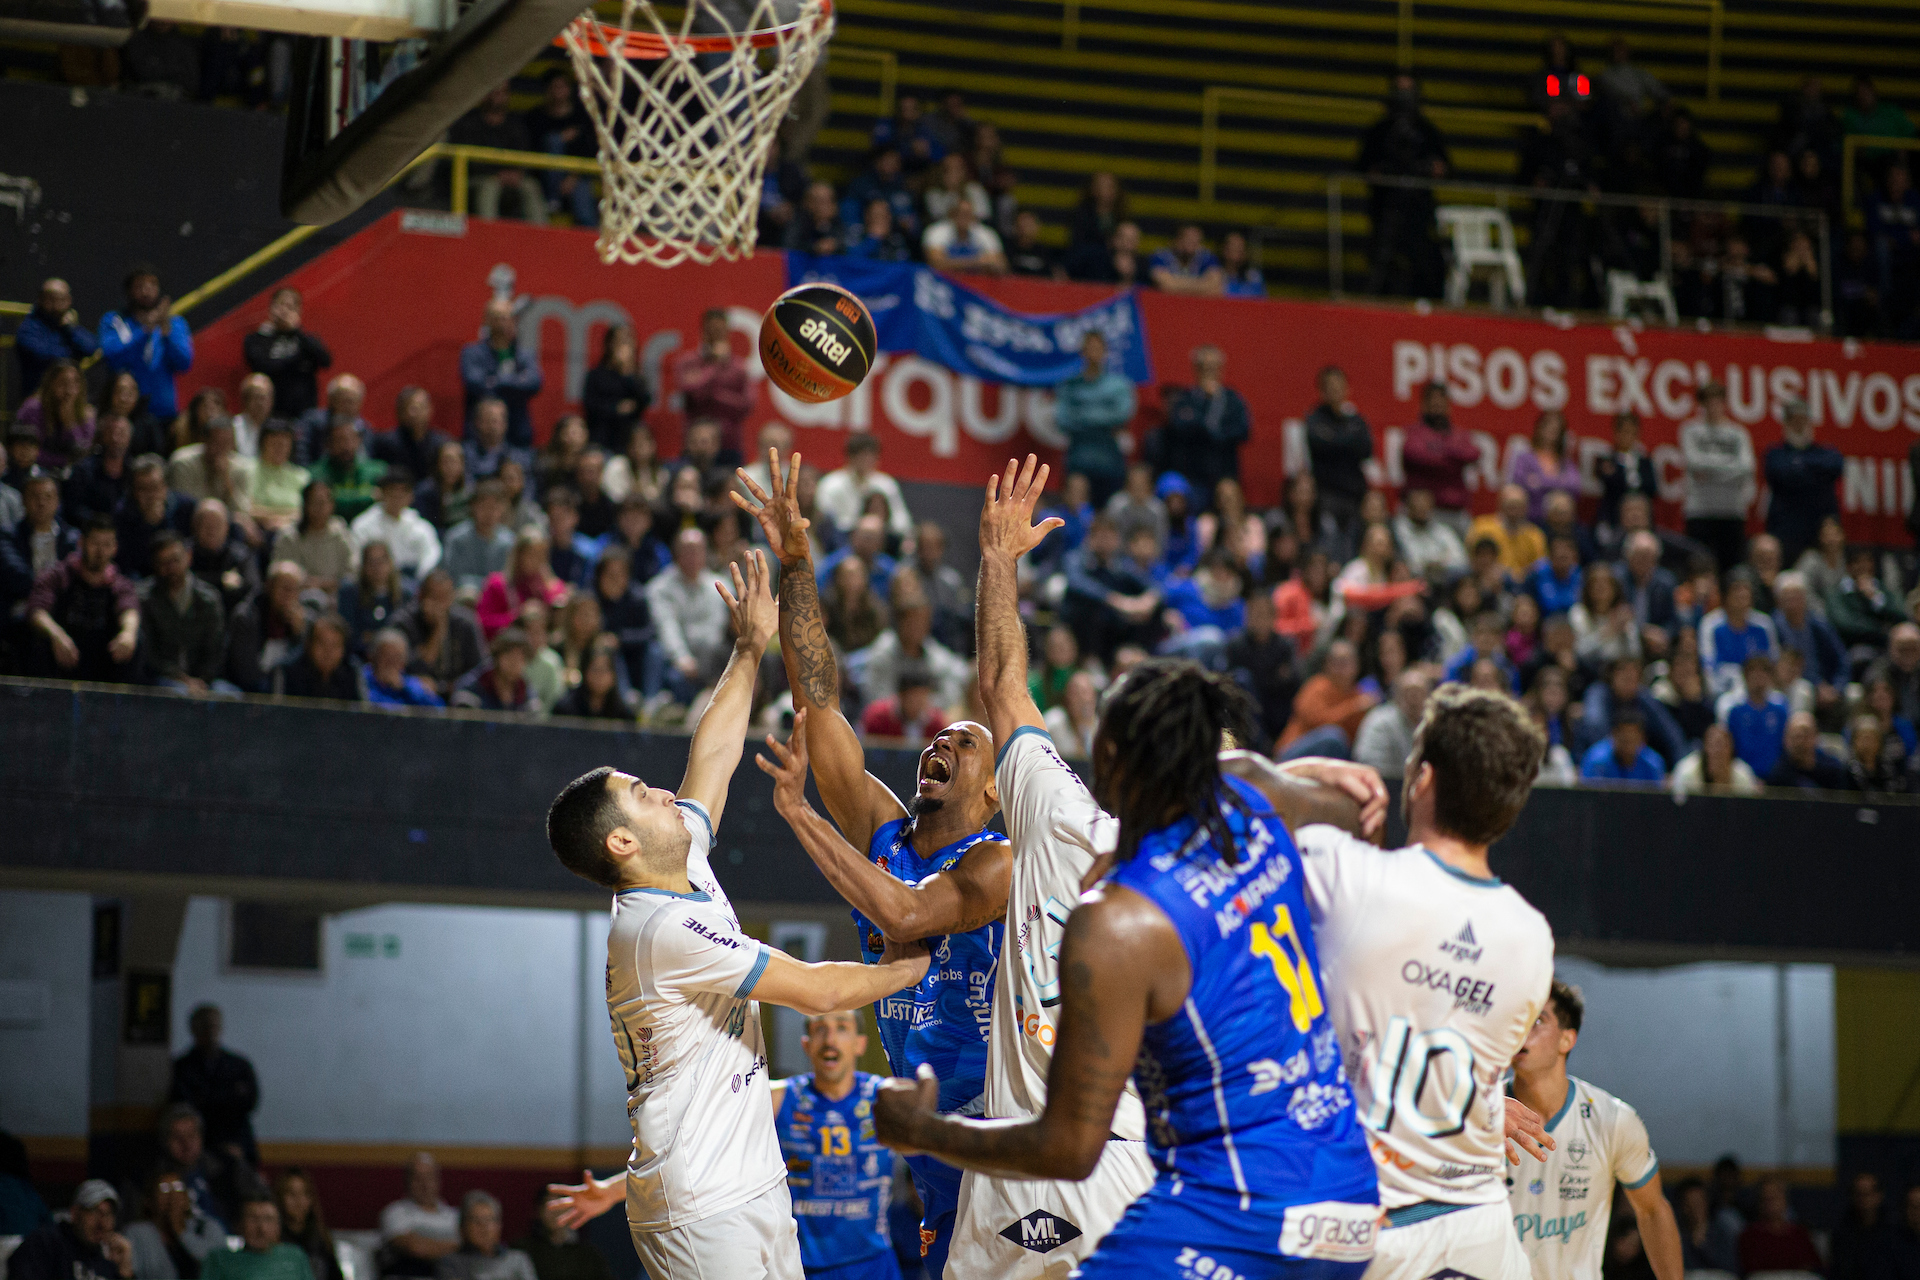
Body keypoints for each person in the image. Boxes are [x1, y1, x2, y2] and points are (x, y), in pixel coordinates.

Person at [874, 657, 1383, 1280]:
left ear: (1116, 763)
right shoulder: (1269, 816)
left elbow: (1066, 1146)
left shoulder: (1123, 917)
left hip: (1228, 1193)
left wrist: (923, 1130)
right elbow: (1361, 810)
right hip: (1345, 1182)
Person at [540, 551, 929, 1280]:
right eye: (639, 792)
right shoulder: (657, 930)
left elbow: (711, 759)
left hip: (745, 1186)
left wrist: (750, 648)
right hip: (700, 1203)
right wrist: (915, 960)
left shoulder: (677, 860)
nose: (661, 791)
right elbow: (816, 992)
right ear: (622, 843)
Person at [734, 453, 1016, 1276]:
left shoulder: (997, 862)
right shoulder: (881, 828)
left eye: (964, 744)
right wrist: (797, 565)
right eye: (938, 736)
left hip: (1001, 1128)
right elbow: (819, 701)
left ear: (996, 792)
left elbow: (905, 916)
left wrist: (801, 817)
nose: (942, 742)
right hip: (928, 1137)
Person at [1226, 685, 1557, 1280]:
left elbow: (1213, 789)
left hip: (1375, 1230)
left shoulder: (1348, 874)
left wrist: (1300, 773)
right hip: (1483, 1229)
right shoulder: (1533, 937)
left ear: (1422, 779)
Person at [1507, 981, 1683, 1280]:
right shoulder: (1477, 1117)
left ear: (1567, 1040)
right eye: (1517, 1019)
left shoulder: (1612, 1119)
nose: (1522, 1029)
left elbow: (1653, 1211)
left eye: (1538, 1020)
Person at [771, 1010, 901, 1280]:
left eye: (842, 1027)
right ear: (806, 1044)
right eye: (820, 1028)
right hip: (800, 1266)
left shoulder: (887, 1098)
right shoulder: (779, 1098)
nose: (830, 1039)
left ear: (860, 1043)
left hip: (874, 1266)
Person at [1360, 73, 1450, 297]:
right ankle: (1374, 302)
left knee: (1425, 260)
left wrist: (1432, 168)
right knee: (1381, 259)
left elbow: (1445, 167)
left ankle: (1430, 301)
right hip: (1386, 206)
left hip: (1418, 207)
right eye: (1399, 92)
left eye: (1408, 92)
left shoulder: (1427, 131)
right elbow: (1362, 166)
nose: (1404, 99)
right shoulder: (1380, 131)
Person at [27, 516, 140, 682]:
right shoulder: (59, 574)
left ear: (115, 548)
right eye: (95, 543)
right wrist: (57, 635)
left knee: (137, 641)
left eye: (107, 544)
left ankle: (119, 705)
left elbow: (129, 608)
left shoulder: (119, 583)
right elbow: (37, 610)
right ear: (81, 542)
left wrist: (128, 633)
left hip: (102, 655)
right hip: (65, 651)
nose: (100, 551)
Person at [1677, 384, 1754, 572]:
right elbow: (1693, 462)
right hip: (1699, 511)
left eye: (1717, 402)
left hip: (1732, 511)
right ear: (1701, 405)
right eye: (1708, 402)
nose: (1713, 407)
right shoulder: (1690, 430)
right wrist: (1730, 468)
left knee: (1731, 570)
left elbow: (1746, 467)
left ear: (1724, 403)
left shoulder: (1738, 433)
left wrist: (1709, 472)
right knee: (1698, 569)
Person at [99, 266, 193, 422]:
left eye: (152, 285)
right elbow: (112, 358)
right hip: (125, 415)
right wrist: (146, 330)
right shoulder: (114, 321)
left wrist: (166, 333)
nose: (146, 291)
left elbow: (184, 363)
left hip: (164, 413)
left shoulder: (174, 323)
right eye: (140, 286)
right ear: (129, 291)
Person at [1053, 333, 1136, 508]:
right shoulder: (1070, 385)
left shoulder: (1119, 385)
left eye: (1098, 349)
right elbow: (1062, 419)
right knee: (1076, 511)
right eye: (1089, 349)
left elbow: (1123, 414)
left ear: (1105, 352)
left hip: (1110, 463)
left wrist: (1082, 414)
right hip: (1078, 461)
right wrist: (1104, 415)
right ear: (1082, 352)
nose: (1093, 353)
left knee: (1110, 513)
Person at [1155, 346, 1250, 497]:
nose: (1209, 373)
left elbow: (1243, 431)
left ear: (1221, 369)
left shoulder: (1233, 400)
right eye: (1204, 368)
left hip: (1224, 473)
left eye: (1213, 368)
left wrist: (1209, 430)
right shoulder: (1184, 399)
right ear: (1195, 370)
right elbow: (1177, 429)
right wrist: (1207, 407)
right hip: (1192, 474)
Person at [1762, 399, 1842, 565]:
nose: (1799, 425)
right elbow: (1780, 473)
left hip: (1819, 533)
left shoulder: (1825, 452)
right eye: (1794, 420)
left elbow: (1835, 467)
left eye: (1803, 420)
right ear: (1786, 423)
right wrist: (1814, 473)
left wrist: (1799, 465)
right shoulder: (1775, 453)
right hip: (1786, 531)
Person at [6, 1180, 134, 1280]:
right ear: (75, 1213)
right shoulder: (47, 1242)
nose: (102, 1223)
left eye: (108, 1214)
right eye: (94, 1211)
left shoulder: (109, 1259)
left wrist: (125, 1271)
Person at [460, 300, 543, 447]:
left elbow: (534, 383)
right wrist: (516, 383)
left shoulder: (524, 355)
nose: (502, 322)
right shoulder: (471, 353)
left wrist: (496, 380)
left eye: (506, 317)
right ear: (487, 320)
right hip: (480, 437)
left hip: (517, 432)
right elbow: (475, 383)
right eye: (497, 317)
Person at [1301, 366, 1374, 534]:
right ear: (1322, 391)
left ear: (1347, 389)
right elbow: (1320, 444)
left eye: (1339, 387)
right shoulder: (1315, 419)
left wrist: (1335, 439)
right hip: (1327, 494)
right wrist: (1348, 441)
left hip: (1355, 495)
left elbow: (1366, 450)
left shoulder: (1357, 421)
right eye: (1330, 387)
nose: (1335, 391)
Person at [1402, 383, 1481, 534]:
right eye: (1433, 400)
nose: (1437, 404)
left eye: (1441, 399)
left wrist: (1438, 448)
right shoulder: (1415, 432)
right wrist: (1454, 457)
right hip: (1427, 513)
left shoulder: (1458, 433)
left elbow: (1473, 454)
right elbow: (1415, 454)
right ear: (1424, 404)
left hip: (1456, 510)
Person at [673, 310, 752, 460]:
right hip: (694, 447)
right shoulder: (688, 362)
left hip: (729, 446)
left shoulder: (739, 367)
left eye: (720, 331)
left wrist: (713, 395)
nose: (716, 336)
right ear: (703, 332)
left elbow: (746, 405)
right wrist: (715, 366)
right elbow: (693, 394)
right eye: (712, 330)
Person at [1278, 637, 1378, 756]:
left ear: (1357, 665)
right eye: (1335, 662)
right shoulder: (1316, 686)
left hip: (1331, 760)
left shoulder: (1358, 695)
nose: (1341, 667)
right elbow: (1317, 723)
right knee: (1333, 736)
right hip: (1292, 754)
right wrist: (1353, 708)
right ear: (1326, 665)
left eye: (1346, 661)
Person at [242, 288, 332, 420]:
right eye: (280, 305)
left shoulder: (305, 339)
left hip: (303, 412)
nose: (284, 310)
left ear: (298, 312)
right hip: (270, 413)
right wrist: (298, 360)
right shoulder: (256, 339)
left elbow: (325, 361)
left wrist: (296, 331)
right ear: (270, 309)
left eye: (290, 307)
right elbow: (265, 367)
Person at [816, 435, 913, 541]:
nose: (866, 460)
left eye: (870, 455)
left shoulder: (886, 485)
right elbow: (825, 520)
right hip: (840, 540)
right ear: (850, 456)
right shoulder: (831, 484)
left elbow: (902, 522)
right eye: (861, 455)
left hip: (880, 541)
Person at [350, 469, 440, 582]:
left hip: (413, 582)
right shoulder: (362, 525)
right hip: (375, 584)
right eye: (392, 492)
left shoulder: (421, 527)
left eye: (402, 492)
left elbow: (431, 556)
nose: (397, 497)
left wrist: (419, 579)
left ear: (411, 496)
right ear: (381, 494)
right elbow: (357, 561)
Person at [377, 1154, 460, 1277]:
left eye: (429, 1178)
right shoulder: (395, 1213)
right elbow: (416, 1248)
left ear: (438, 1181)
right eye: (418, 1178)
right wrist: (461, 1248)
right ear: (407, 1181)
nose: (424, 1185)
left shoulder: (455, 1216)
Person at [15, 277, 98, 395]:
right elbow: (43, 356)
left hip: (69, 396)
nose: (57, 304)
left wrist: (69, 329)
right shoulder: (29, 327)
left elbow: (91, 347)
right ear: (41, 299)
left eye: (62, 299)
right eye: (52, 298)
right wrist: (73, 354)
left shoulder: (68, 326)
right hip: (39, 395)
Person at [201, 1199, 314, 1280]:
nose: (261, 1229)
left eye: (268, 1219)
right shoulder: (219, 1259)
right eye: (253, 1219)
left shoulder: (295, 1257)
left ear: (278, 1228)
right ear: (239, 1225)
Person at [434, 1193, 534, 1280]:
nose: (483, 1227)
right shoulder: (451, 1263)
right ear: (463, 1227)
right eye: (476, 1220)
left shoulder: (518, 1260)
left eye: (489, 1220)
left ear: (499, 1226)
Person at [515, 1191, 612, 1280]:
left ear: (572, 1210)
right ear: (539, 1211)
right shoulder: (523, 1250)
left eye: (560, 1206)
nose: (556, 1212)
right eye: (550, 1206)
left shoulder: (588, 1254)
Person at [1354, 668, 1432, 779]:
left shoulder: (1434, 724)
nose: (1414, 698)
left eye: (1419, 692)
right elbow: (1369, 764)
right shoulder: (1380, 722)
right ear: (1396, 696)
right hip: (1388, 785)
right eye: (1408, 692)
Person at [1721, 653, 1790, 778]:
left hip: (1776, 776)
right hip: (1743, 776)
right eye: (1754, 672)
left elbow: (1785, 746)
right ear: (1745, 677)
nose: (1759, 678)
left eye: (1764, 672)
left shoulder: (1780, 710)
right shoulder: (1735, 712)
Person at [1736, 1180, 1825, 1276]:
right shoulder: (1749, 1236)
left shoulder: (1799, 1233)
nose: (1770, 1203)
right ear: (1759, 1203)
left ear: (1785, 1200)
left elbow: (1813, 1267)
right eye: (1765, 1198)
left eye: (1775, 1197)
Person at [1470, 485, 1548, 581]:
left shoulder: (1534, 534)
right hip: (1488, 579)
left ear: (1526, 508)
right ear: (1500, 505)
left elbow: (1540, 565)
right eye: (1510, 505)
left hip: (1524, 583)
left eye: (1519, 506)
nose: (1514, 511)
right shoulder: (1482, 528)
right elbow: (1473, 559)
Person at [372, 387, 451, 481]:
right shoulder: (385, 443)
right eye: (413, 408)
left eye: (423, 407)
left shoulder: (441, 443)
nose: (417, 413)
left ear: (430, 409)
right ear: (400, 411)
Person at [273, 1171, 340, 1280]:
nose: (299, 1201)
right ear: (280, 1197)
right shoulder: (272, 1238)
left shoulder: (321, 1237)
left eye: (304, 1194)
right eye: (292, 1194)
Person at [1766, 710, 1855, 790]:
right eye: (1796, 736)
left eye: (1805, 735)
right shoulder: (1778, 774)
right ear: (1786, 740)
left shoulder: (1833, 771)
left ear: (1816, 737)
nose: (1800, 742)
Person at [1670, 723, 1762, 796]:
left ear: (1731, 748)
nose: (1717, 750)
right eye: (1713, 745)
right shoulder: (1687, 772)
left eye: (1722, 745)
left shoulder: (1742, 775)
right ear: (1705, 747)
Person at [1580, 706, 1666, 784]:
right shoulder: (1596, 761)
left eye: (1632, 740)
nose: (1627, 746)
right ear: (1613, 735)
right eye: (1624, 740)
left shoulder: (1653, 763)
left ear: (1643, 739)